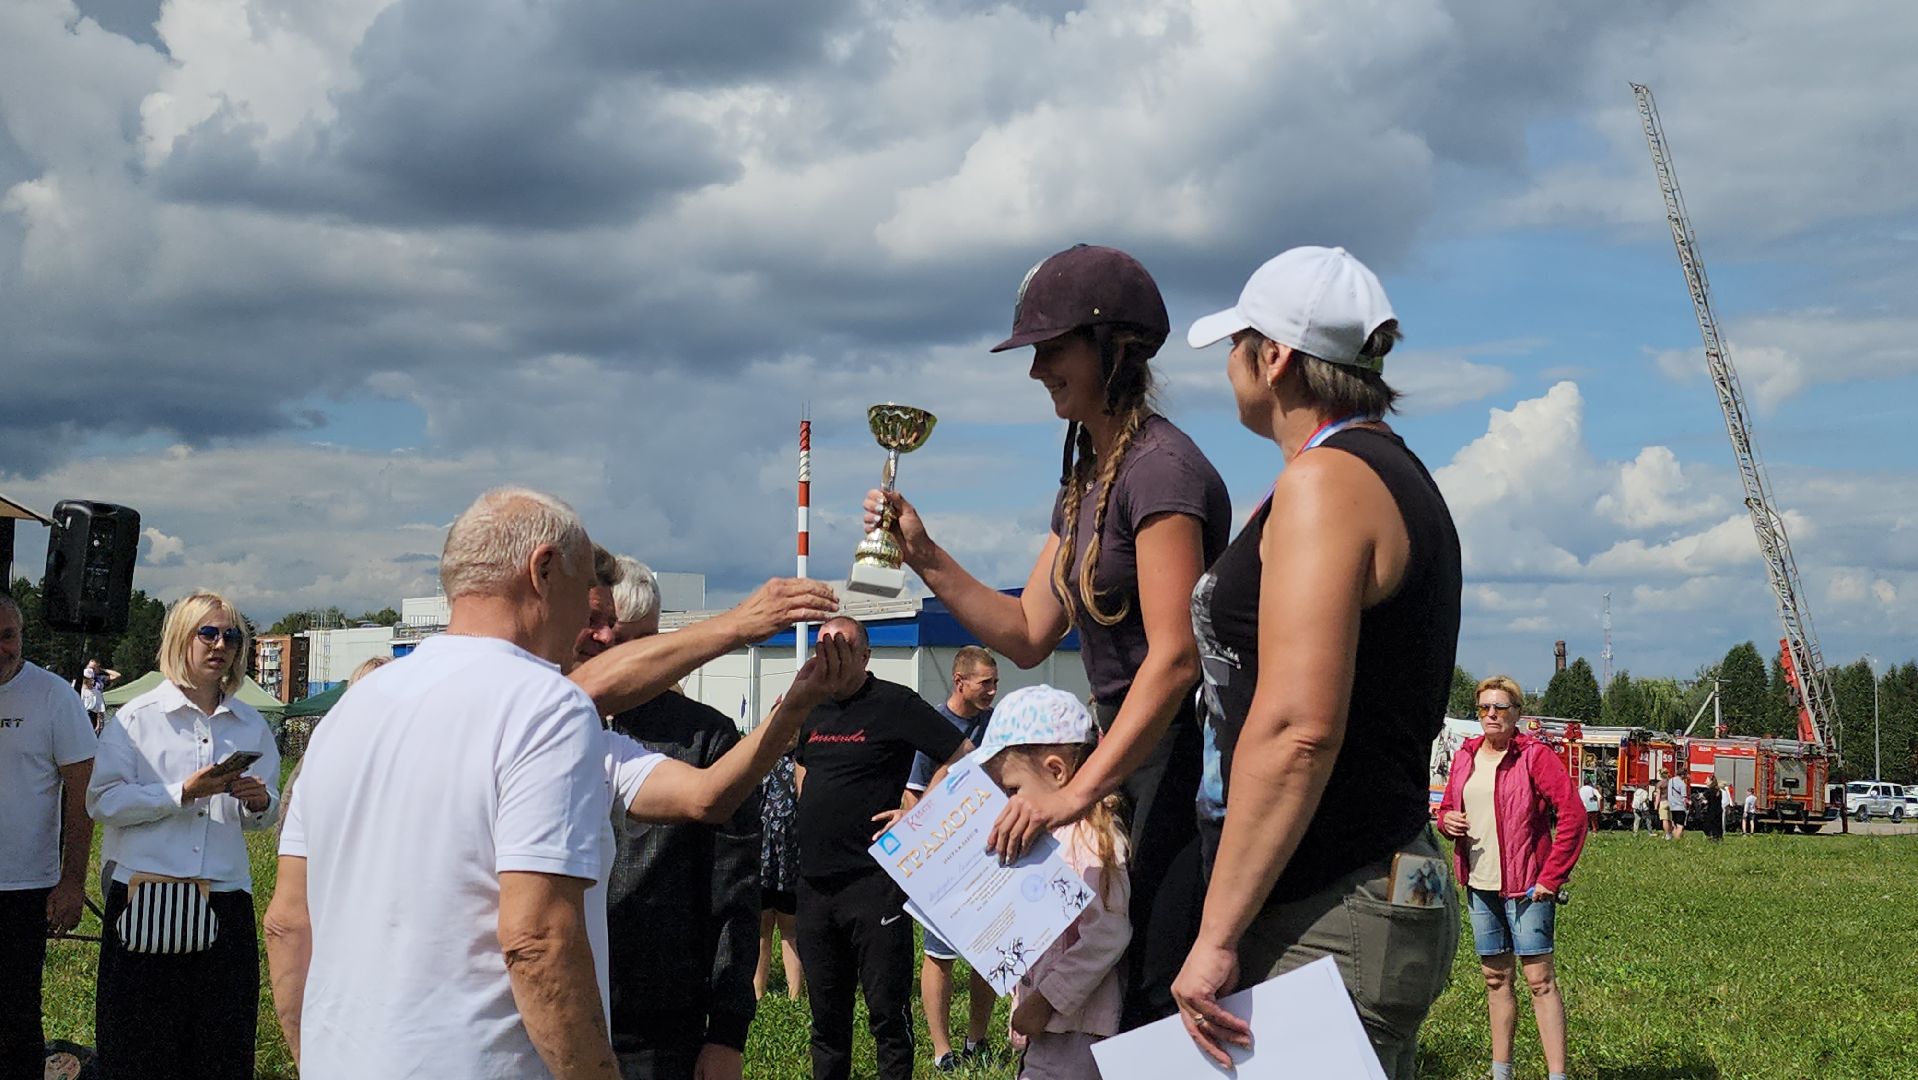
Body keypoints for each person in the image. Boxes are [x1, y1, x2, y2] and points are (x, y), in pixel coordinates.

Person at [264, 488, 843, 1079]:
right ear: (542, 571)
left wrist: (315, 1058)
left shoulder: (351, 714)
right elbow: (537, 941)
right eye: (588, 596)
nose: (595, 623)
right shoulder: (546, 708)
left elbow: (286, 923)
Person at [866, 244, 1230, 1027]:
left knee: (1151, 997)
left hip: (1176, 762)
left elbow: (1174, 659)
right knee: (1103, 994)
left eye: (1051, 348)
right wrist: (922, 553)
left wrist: (1076, 790)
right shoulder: (1086, 482)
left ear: (1114, 349)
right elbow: (1028, 631)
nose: (1036, 371)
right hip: (1125, 758)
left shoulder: (1161, 470)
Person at [1170, 246, 1462, 1078]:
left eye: (1236, 344)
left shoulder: (1327, 484)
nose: (1228, 364)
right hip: (1367, 885)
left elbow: (1299, 728)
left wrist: (1217, 935)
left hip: (1328, 901)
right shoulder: (1391, 474)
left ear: (1277, 359)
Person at [87, 591, 281, 1080]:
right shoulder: (137, 719)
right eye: (208, 633)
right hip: (146, 898)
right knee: (136, 1053)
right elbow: (102, 802)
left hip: (224, 901)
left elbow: (265, 816)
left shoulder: (251, 725)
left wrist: (260, 803)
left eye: (231, 636)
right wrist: (181, 792)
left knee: (222, 1051)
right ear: (181, 637)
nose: (221, 645)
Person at [590, 556, 762, 1080]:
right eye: (609, 639)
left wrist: (726, 1033)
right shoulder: (555, 723)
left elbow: (735, 890)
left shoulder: (704, 737)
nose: (624, 657)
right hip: (567, 1001)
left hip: (662, 1022)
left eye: (642, 642)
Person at [792, 616, 974, 1080]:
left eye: (841, 649)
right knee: (826, 1021)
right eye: (823, 648)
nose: (829, 658)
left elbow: (962, 755)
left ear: (865, 656)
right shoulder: (811, 706)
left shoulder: (894, 703)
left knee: (887, 1016)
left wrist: (919, 814)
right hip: (814, 884)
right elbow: (801, 766)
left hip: (872, 883)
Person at [974, 686, 1131, 1080]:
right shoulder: (1048, 838)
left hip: (1078, 1028)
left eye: (1012, 789)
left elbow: (1108, 933)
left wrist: (1046, 1000)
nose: (1007, 803)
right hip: (1049, 1026)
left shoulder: (1090, 838)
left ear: (1056, 771)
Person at [1436, 676, 1586, 1080]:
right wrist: (1445, 820)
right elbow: (1449, 806)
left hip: (1528, 887)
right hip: (1479, 885)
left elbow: (1573, 815)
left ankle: (1557, 1075)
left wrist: (1551, 877)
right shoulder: (1465, 756)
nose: (1490, 715)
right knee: (1494, 978)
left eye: (1500, 708)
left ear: (1517, 713)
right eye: (1484, 707)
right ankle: (1500, 1072)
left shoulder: (1534, 756)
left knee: (1539, 980)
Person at [0, 595, 96, 1079]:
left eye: (8, 636)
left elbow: (82, 794)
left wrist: (72, 881)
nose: (2, 648)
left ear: (21, 636)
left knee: (15, 1017)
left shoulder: (54, 696)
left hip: (23, 887)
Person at [904, 646, 1001, 1070]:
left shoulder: (998, 725)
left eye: (995, 683)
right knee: (939, 955)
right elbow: (912, 795)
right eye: (985, 684)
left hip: (993, 855)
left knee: (989, 953)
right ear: (960, 681)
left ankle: (976, 1040)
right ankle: (942, 1050)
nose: (993, 692)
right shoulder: (931, 727)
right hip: (946, 859)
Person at [756, 750, 805, 1001]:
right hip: (780, 860)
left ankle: (766, 993)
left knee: (773, 931)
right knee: (779, 931)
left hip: (777, 860)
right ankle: (782, 995)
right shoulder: (801, 766)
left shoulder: (762, 763)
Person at [77, 657, 121, 732]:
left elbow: (117, 675)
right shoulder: (83, 678)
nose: (92, 670)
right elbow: (86, 678)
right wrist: (90, 669)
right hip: (86, 708)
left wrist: (102, 670)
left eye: (94, 668)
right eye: (90, 667)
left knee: (97, 731)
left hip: (97, 708)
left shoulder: (100, 678)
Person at [1666, 770, 1689, 840]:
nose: (1686, 776)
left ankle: (1674, 839)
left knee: (1675, 825)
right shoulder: (1682, 784)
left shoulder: (1670, 781)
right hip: (1680, 807)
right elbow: (1684, 798)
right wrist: (1688, 804)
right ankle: (1677, 840)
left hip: (1671, 806)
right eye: (1685, 775)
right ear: (1682, 775)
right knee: (1680, 826)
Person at [1702, 777, 1725, 842]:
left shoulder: (1709, 791)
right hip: (1718, 811)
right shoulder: (1719, 791)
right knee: (1717, 825)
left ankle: (1710, 837)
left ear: (1711, 782)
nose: (1705, 782)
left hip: (1711, 811)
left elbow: (1704, 799)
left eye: (1707, 780)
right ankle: (1718, 838)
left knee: (1708, 825)